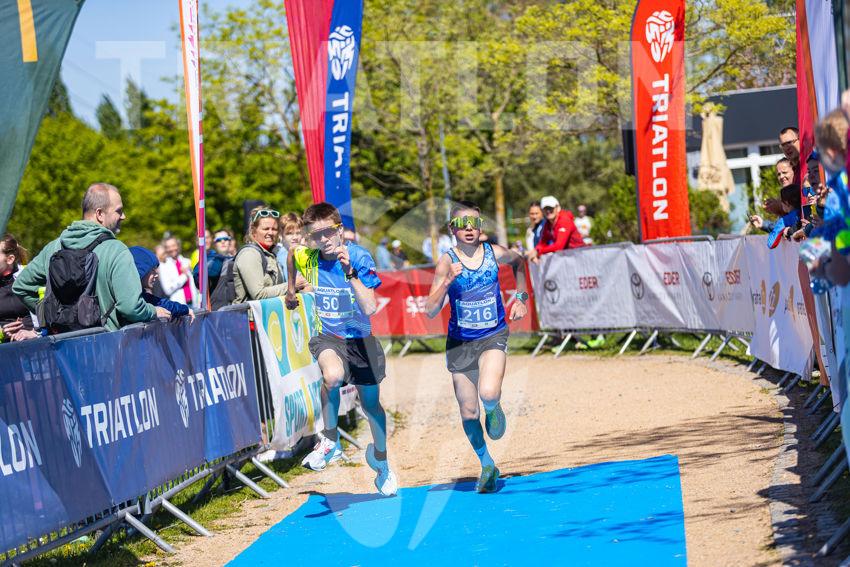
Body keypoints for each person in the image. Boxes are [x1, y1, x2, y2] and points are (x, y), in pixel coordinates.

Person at [285, 202, 398, 496]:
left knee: (371, 406)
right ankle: (330, 440)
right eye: (315, 235)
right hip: (329, 337)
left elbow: (370, 307)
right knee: (332, 377)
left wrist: (350, 273)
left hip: (360, 341)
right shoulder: (309, 257)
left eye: (328, 233)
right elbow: (291, 254)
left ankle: (382, 461)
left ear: (340, 230)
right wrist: (290, 290)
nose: (323, 240)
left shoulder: (358, 256)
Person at [424, 202, 528, 493]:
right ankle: (487, 464)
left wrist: (521, 298)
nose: (469, 228)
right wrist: (447, 281)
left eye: (475, 223)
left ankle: (493, 408)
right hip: (460, 344)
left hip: (493, 335)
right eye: (462, 223)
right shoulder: (446, 262)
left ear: (481, 227)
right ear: (452, 229)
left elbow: (520, 263)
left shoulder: (494, 253)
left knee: (488, 393)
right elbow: (430, 310)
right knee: (469, 413)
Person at [12, 183, 169, 331]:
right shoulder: (116, 250)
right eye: (119, 211)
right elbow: (131, 307)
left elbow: (21, 286)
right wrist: (153, 311)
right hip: (107, 344)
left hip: (62, 345)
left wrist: (50, 315)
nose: (123, 216)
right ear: (100, 214)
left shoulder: (54, 247)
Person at [233, 207, 289, 302]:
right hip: (249, 311)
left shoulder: (271, 253)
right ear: (253, 230)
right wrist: (292, 285)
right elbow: (258, 294)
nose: (271, 233)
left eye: (274, 229)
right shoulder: (249, 254)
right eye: (266, 229)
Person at [130, 246, 194, 321]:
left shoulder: (143, 296)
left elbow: (161, 303)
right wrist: (154, 311)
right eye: (152, 270)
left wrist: (185, 309)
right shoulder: (129, 296)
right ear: (140, 271)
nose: (156, 275)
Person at [526, 195, 585, 262]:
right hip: (569, 258)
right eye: (545, 209)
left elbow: (559, 246)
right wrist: (535, 250)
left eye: (550, 208)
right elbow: (543, 242)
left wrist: (538, 252)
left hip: (580, 256)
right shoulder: (548, 223)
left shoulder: (564, 220)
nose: (548, 211)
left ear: (558, 208)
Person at [0, 234, 34, 341]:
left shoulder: (31, 277)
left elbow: (48, 312)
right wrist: (1, 333)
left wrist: (34, 332)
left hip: (35, 344)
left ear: (10, 259)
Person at [159, 237, 200, 308]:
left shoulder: (187, 262)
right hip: (178, 307)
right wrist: (184, 276)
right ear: (165, 249)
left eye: (173, 245)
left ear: (178, 246)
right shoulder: (163, 266)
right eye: (168, 247)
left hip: (194, 305)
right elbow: (168, 290)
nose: (171, 249)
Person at [194, 229, 235, 293]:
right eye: (219, 240)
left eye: (226, 239)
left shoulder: (236, 259)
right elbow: (199, 282)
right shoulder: (210, 259)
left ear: (230, 241)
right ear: (214, 243)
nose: (223, 241)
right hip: (217, 298)